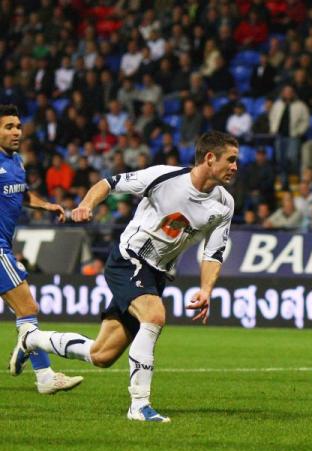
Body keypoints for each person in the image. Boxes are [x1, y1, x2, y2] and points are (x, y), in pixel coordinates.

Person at [12, 131, 238, 422]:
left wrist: (206, 290)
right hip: (130, 259)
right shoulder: (164, 178)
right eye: (230, 160)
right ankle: (139, 406)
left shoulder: (225, 204)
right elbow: (109, 183)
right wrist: (86, 205)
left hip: (157, 274)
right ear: (210, 158)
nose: (235, 166)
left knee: (101, 355)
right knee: (154, 316)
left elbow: (213, 254)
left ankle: (32, 339)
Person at [2, 104, 83, 394]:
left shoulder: (16, 162)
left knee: (25, 312)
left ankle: (29, 353)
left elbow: (20, 193)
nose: (15, 132)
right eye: (8, 127)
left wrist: (45, 204)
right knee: (28, 308)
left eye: (18, 126)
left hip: (5, 247)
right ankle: (45, 376)